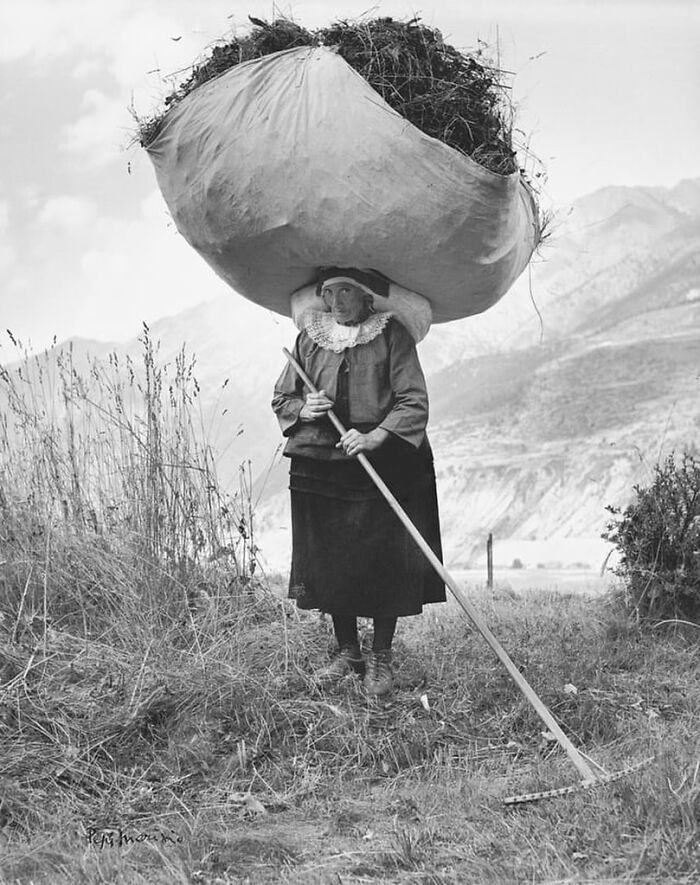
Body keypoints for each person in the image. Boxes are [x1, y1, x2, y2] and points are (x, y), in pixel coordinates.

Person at [271, 267, 445, 697]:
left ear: (367, 297)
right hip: (322, 464)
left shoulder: (392, 336)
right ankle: (348, 650)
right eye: (330, 292)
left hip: (385, 463)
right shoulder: (310, 339)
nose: (337, 301)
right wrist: (306, 408)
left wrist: (373, 436)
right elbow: (282, 397)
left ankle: (381, 657)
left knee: (387, 561)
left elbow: (413, 402)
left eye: (347, 291)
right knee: (332, 561)